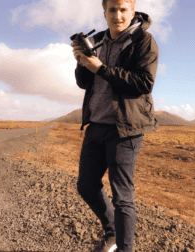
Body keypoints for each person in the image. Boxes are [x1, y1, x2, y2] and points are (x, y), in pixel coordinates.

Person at [71, 0, 159, 251]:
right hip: (96, 125)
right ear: (105, 12)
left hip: (125, 129)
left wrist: (102, 69)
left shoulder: (144, 41)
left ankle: (125, 248)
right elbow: (82, 82)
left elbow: (144, 83)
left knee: (122, 198)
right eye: (112, 10)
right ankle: (112, 233)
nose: (117, 15)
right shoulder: (97, 39)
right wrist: (81, 61)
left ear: (132, 12)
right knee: (86, 186)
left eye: (123, 10)